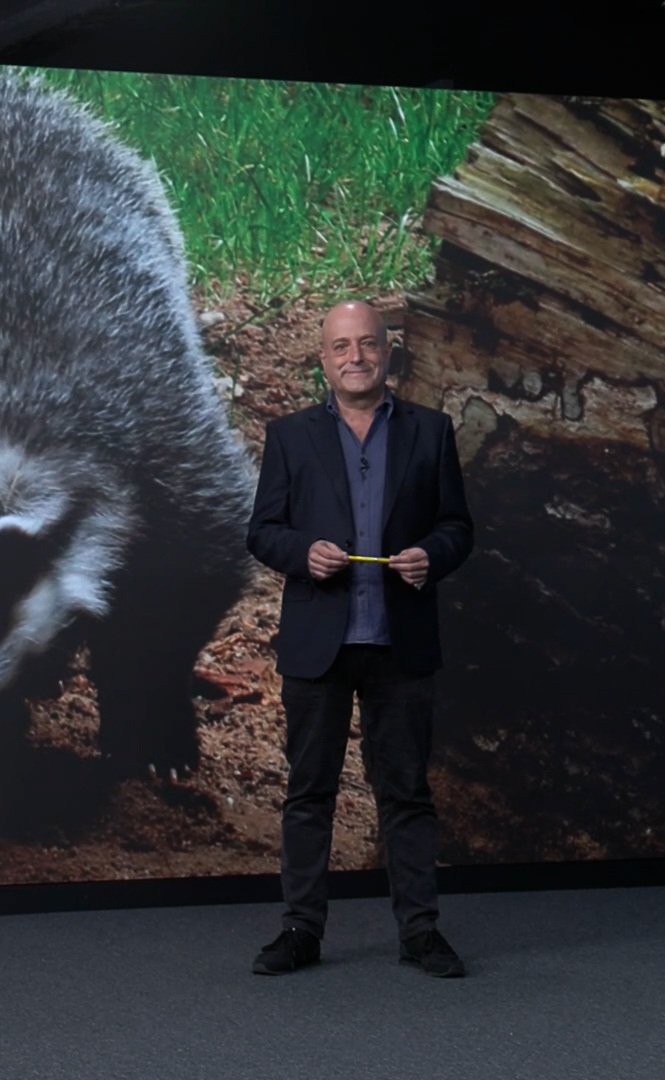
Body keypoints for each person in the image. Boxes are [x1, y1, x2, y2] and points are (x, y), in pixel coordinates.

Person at [244, 300, 475, 978]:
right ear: (324, 359)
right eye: (342, 346)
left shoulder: (431, 433)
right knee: (308, 790)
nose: (356, 357)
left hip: (399, 641)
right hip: (319, 640)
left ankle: (421, 931)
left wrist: (432, 555)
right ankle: (300, 930)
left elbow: (459, 527)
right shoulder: (289, 436)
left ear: (387, 352)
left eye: (367, 344)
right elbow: (262, 529)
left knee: (404, 790)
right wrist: (299, 554)